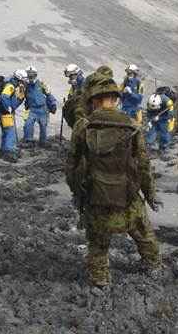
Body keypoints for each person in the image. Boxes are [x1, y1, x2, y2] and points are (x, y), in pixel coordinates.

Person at [66, 76, 162, 288]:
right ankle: (153, 266)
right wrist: (150, 194)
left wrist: (78, 195)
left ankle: (100, 280)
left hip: (96, 198)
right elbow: (144, 166)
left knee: (98, 245)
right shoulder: (132, 126)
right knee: (143, 235)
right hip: (128, 197)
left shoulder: (83, 126)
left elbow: (71, 167)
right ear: (115, 99)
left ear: (93, 101)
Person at [0, 69, 27, 162]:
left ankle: (4, 149)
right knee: (10, 131)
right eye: (24, 80)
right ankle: (9, 152)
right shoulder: (10, 86)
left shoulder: (13, 85)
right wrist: (8, 108)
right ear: (19, 79)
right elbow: (4, 96)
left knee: (6, 131)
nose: (25, 81)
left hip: (2, 111)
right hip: (5, 113)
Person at [22, 66, 57, 147]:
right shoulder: (24, 86)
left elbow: (49, 94)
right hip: (31, 109)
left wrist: (53, 104)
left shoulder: (41, 84)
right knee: (28, 124)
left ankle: (43, 141)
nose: (30, 77)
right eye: (28, 75)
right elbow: (20, 97)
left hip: (43, 109)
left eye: (32, 75)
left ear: (35, 75)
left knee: (43, 125)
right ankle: (28, 140)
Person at [62, 64, 85, 129]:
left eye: (71, 76)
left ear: (76, 74)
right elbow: (70, 97)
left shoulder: (83, 83)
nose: (70, 79)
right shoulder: (74, 86)